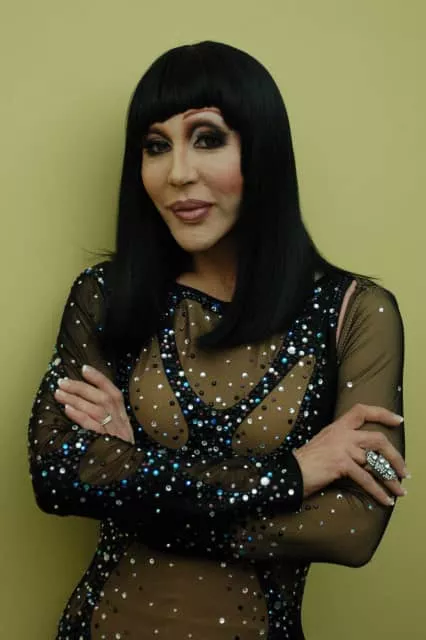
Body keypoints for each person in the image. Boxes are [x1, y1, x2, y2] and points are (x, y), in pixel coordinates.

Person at [28, 41, 407, 640]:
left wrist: (136, 478)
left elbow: (352, 530)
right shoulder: (106, 295)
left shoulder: (355, 313)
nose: (178, 173)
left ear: (263, 150)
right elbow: (59, 475)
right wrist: (289, 475)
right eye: (156, 146)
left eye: (208, 138)